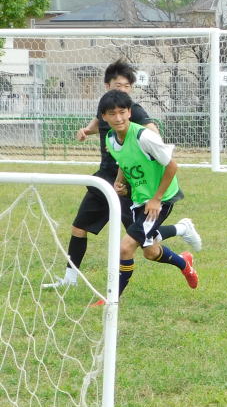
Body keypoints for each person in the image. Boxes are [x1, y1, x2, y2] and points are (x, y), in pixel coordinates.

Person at [43, 59, 200, 290]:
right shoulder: (107, 109)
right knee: (79, 227)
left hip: (132, 187)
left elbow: (152, 132)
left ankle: (181, 231)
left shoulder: (132, 111)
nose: (123, 91)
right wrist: (86, 130)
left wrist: (150, 145)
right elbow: (98, 124)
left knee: (143, 246)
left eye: (127, 86)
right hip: (107, 179)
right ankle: (70, 279)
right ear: (107, 86)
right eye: (119, 85)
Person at [98, 89, 199, 297]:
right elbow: (124, 162)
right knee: (151, 252)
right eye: (112, 114)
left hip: (161, 199)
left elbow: (172, 166)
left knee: (126, 247)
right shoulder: (110, 139)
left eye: (122, 112)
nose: (118, 118)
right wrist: (119, 182)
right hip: (139, 199)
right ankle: (184, 260)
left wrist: (156, 199)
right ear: (104, 116)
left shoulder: (144, 137)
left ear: (129, 112)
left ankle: (111, 300)